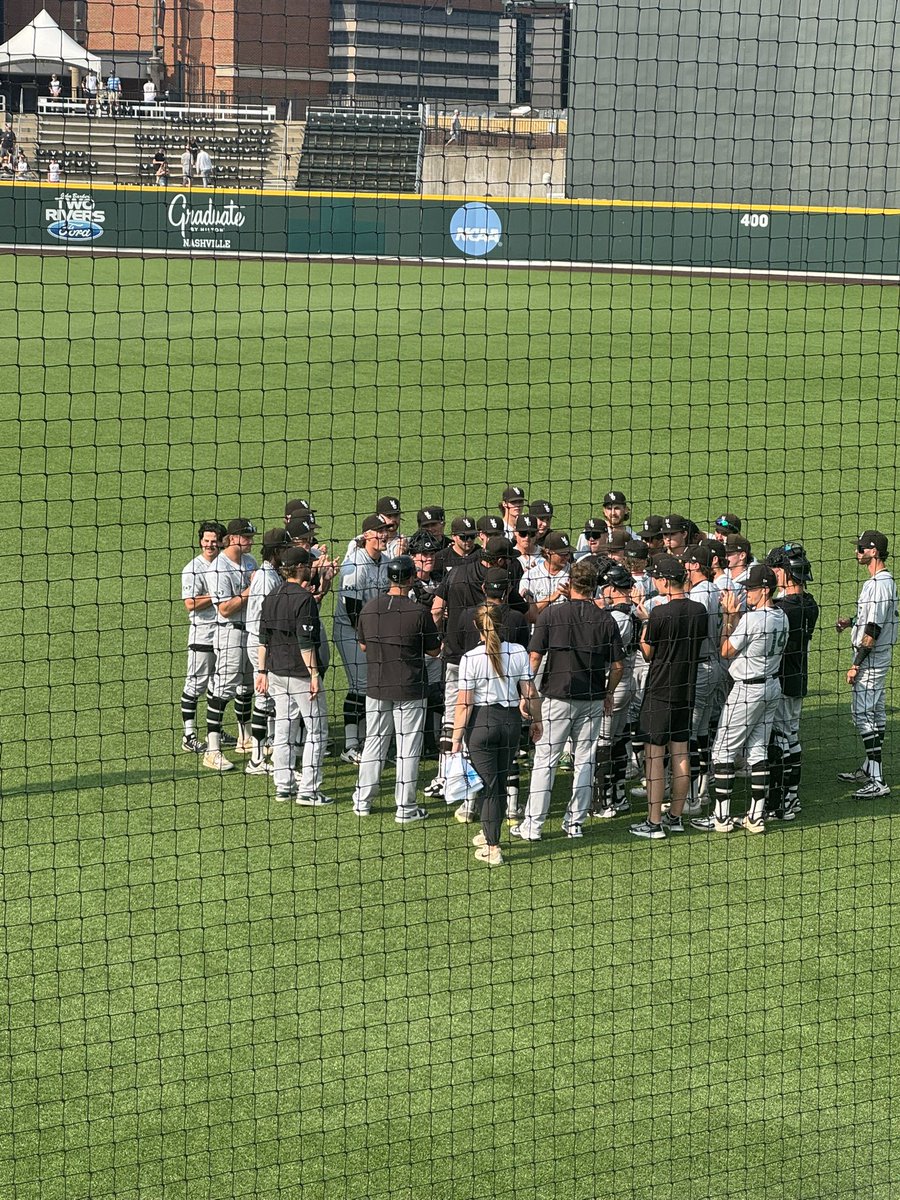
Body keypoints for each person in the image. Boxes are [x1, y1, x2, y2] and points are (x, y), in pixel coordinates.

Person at [513, 559, 624, 842]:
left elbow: (534, 658)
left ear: (570, 583)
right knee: (584, 761)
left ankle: (532, 826)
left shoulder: (552, 615)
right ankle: (574, 823)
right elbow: (619, 666)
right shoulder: (605, 618)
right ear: (595, 586)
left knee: (545, 762)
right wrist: (609, 692)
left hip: (557, 699)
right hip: (592, 699)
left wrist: (527, 693)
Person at [691, 564, 788, 835]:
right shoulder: (782, 616)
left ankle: (721, 817)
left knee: (722, 750)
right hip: (771, 688)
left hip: (747, 691)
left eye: (751, 589)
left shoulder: (752, 619)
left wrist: (728, 617)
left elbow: (725, 651)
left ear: (765, 589)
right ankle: (755, 817)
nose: (746, 593)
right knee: (758, 750)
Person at [351, 555, 441, 822]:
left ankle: (362, 802)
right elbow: (434, 651)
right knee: (408, 749)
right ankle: (405, 808)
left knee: (373, 745)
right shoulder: (418, 612)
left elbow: (364, 646)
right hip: (410, 689)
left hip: (377, 686)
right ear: (411, 578)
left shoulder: (369, 608)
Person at [452, 606, 542, 866]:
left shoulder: (470, 658)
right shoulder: (517, 651)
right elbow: (530, 691)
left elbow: (464, 704)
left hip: (482, 724)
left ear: (475, 625)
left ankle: (493, 847)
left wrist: (456, 738)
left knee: (489, 787)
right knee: (499, 783)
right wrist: (537, 721)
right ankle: (489, 831)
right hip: (510, 723)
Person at [630, 555, 707, 840]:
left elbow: (648, 652)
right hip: (686, 691)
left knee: (654, 758)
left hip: (659, 693)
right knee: (681, 755)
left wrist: (645, 623)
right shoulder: (699, 611)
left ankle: (653, 822)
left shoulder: (660, 613)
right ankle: (675, 817)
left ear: (663, 581)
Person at [256, 547, 331, 805]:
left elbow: (263, 639)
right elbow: (305, 643)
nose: (311, 568)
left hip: (276, 672)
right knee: (317, 731)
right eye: (308, 564)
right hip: (300, 675)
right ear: (300, 567)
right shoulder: (303, 599)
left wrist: (262, 671)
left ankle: (283, 785)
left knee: (284, 729)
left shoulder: (271, 595)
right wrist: (313, 676)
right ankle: (309, 790)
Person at [836, 530, 898, 798]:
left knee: (862, 715)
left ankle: (877, 780)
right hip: (878, 656)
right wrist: (851, 621)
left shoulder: (878, 585)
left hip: (871, 658)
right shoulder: (884, 582)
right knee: (874, 713)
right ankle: (869, 767)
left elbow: (873, 629)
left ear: (874, 551)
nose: (857, 552)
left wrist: (856, 664)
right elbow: (873, 618)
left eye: (861, 549)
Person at [765, 542, 819, 819]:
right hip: (799, 676)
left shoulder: (784, 609)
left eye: (775, 569)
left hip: (782, 679)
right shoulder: (810, 603)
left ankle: (781, 803)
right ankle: (792, 798)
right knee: (792, 737)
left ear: (786, 573)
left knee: (780, 741)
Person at [334, 513, 392, 761]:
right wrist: (366, 638)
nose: (384, 535)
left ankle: (366, 741)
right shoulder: (354, 566)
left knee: (373, 685)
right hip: (350, 630)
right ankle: (350, 746)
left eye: (386, 530)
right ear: (366, 535)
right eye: (379, 531)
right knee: (360, 685)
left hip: (373, 631)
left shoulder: (387, 561)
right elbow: (352, 610)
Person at [203, 518, 258, 771]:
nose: (251, 540)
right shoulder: (218, 568)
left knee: (247, 687)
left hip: (251, 632)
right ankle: (212, 751)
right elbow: (224, 609)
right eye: (246, 536)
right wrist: (251, 589)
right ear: (233, 538)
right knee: (223, 689)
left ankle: (245, 739)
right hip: (230, 633)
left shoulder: (250, 562)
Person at [244, 528, 293, 776]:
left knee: (269, 699)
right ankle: (256, 759)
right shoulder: (266, 578)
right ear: (276, 551)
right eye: (285, 549)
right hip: (261, 641)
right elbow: (268, 617)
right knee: (264, 698)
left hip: (263, 640)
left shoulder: (271, 574)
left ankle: (263, 752)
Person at [179, 521, 226, 753]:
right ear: (200, 541)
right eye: (206, 540)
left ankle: (214, 731)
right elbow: (190, 603)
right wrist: (218, 595)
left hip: (225, 634)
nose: (209, 544)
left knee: (219, 684)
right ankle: (188, 735)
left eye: (214, 541)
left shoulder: (225, 564)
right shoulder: (193, 568)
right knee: (196, 684)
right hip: (202, 634)